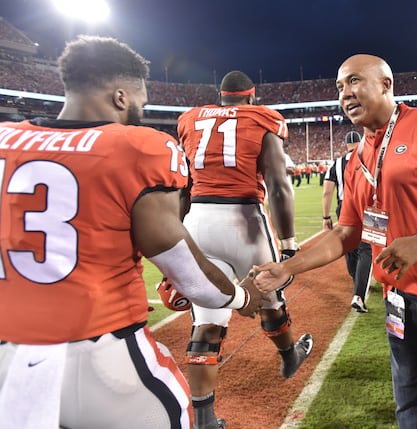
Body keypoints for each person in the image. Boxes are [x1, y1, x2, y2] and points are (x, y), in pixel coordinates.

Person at [0, 35, 262, 429]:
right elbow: (189, 275)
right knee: (173, 412)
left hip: (6, 355)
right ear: (121, 96)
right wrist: (243, 297)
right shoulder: (138, 147)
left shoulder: (5, 138)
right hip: (99, 352)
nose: (140, 111)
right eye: (140, 101)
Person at [254, 54, 417, 428]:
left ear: (386, 84)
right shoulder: (355, 159)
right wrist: (287, 267)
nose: (345, 94)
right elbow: (346, 233)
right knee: (409, 406)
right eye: (340, 87)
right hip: (399, 299)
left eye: (354, 81)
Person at [177, 70, 313, 429]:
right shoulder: (262, 117)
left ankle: (204, 417)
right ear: (251, 97)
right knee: (269, 297)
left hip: (198, 219)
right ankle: (290, 356)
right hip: (244, 220)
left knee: (207, 320)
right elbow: (279, 184)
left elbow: (180, 184)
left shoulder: (190, 120)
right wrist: (288, 244)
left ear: (220, 96)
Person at [322, 130, 373, 313]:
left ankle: (356, 282)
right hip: (369, 205)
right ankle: (359, 293)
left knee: (349, 247)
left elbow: (327, 191)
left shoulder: (336, 164)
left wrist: (326, 216)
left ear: (346, 145)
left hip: (344, 206)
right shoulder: (369, 156)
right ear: (360, 142)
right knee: (367, 248)